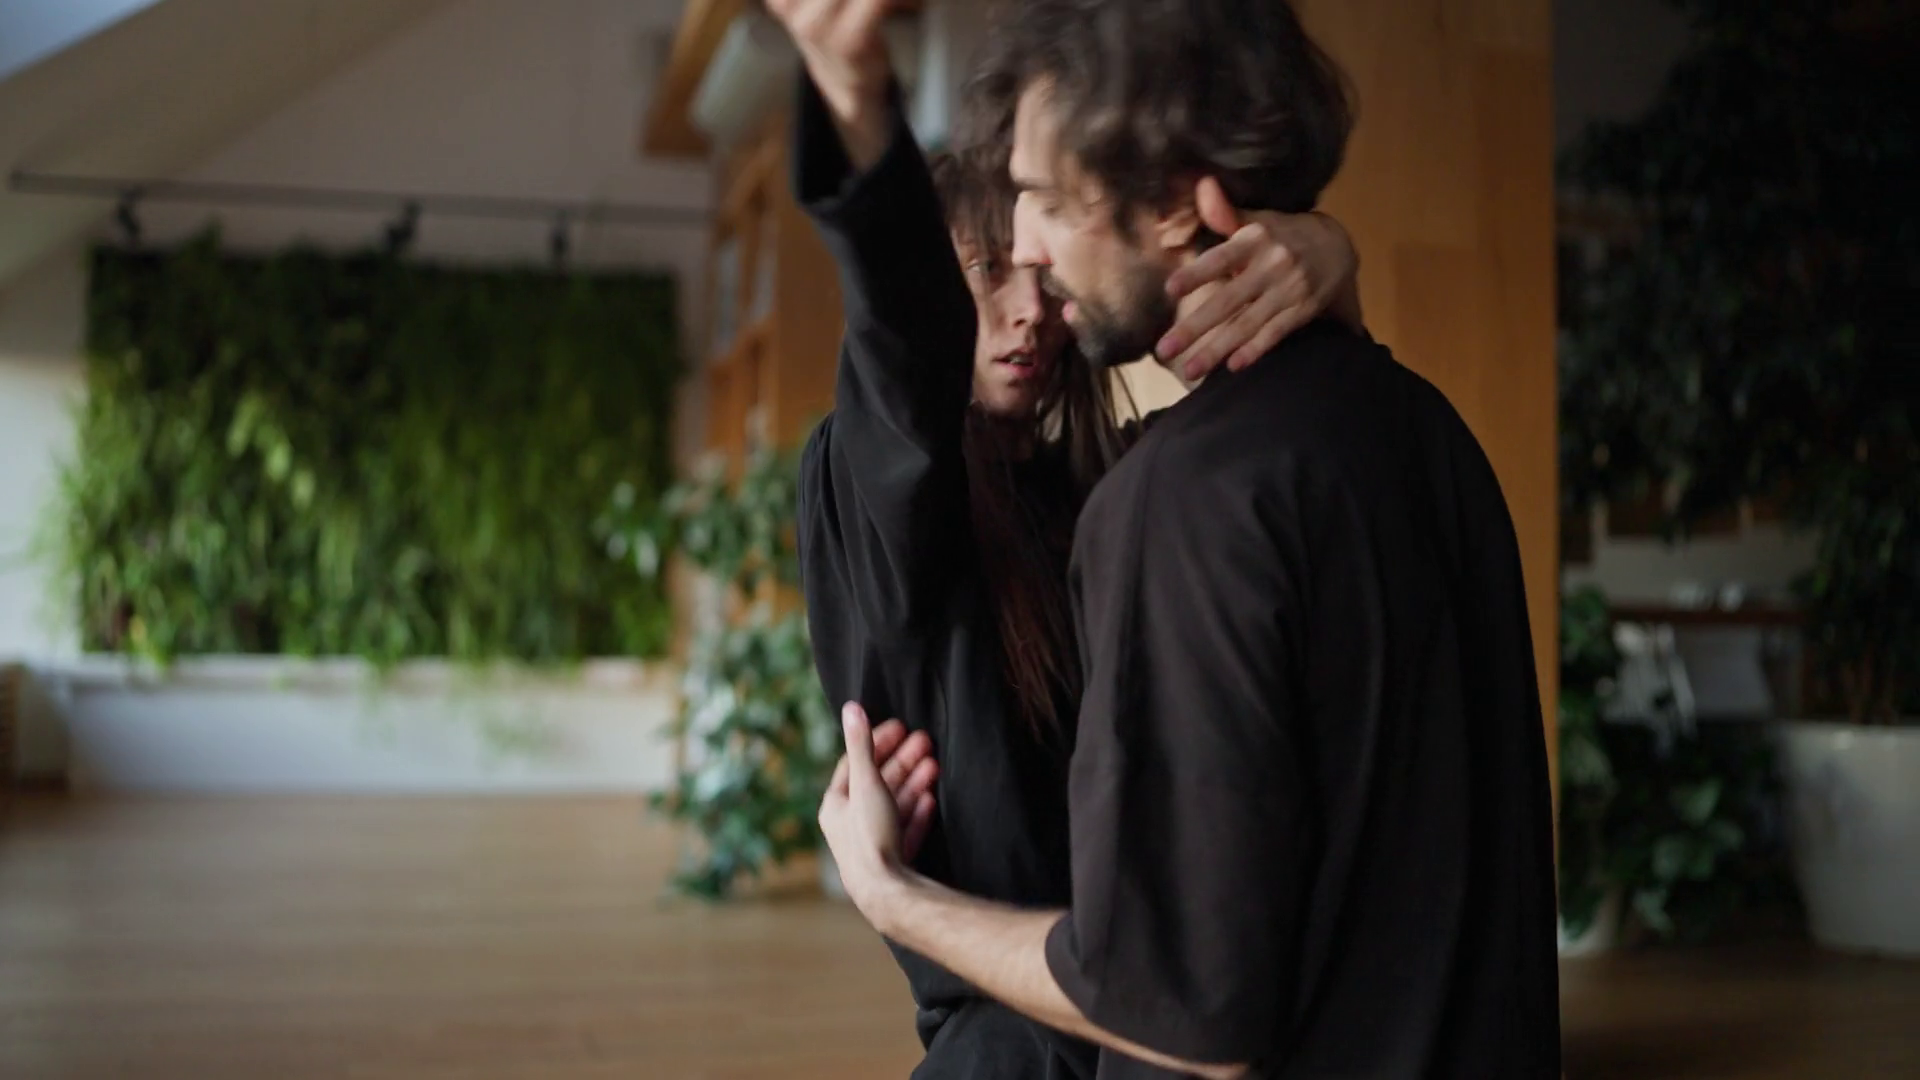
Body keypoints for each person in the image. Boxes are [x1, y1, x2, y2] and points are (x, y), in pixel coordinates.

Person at [816, 1, 1563, 1078]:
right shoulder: (1428, 428)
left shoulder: (1172, 498)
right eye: (984, 265)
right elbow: (899, 348)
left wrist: (892, 895)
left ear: (1177, 201)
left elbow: (1183, 1014)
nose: (1029, 265)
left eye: (1045, 202)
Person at [768, 1, 1365, 1076]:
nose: (1030, 309)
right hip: (1016, 1030)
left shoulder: (1116, 484)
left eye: (1041, 273)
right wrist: (855, 102)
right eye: (985, 273)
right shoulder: (877, 485)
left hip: (1153, 1012)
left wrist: (1328, 252)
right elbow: (904, 340)